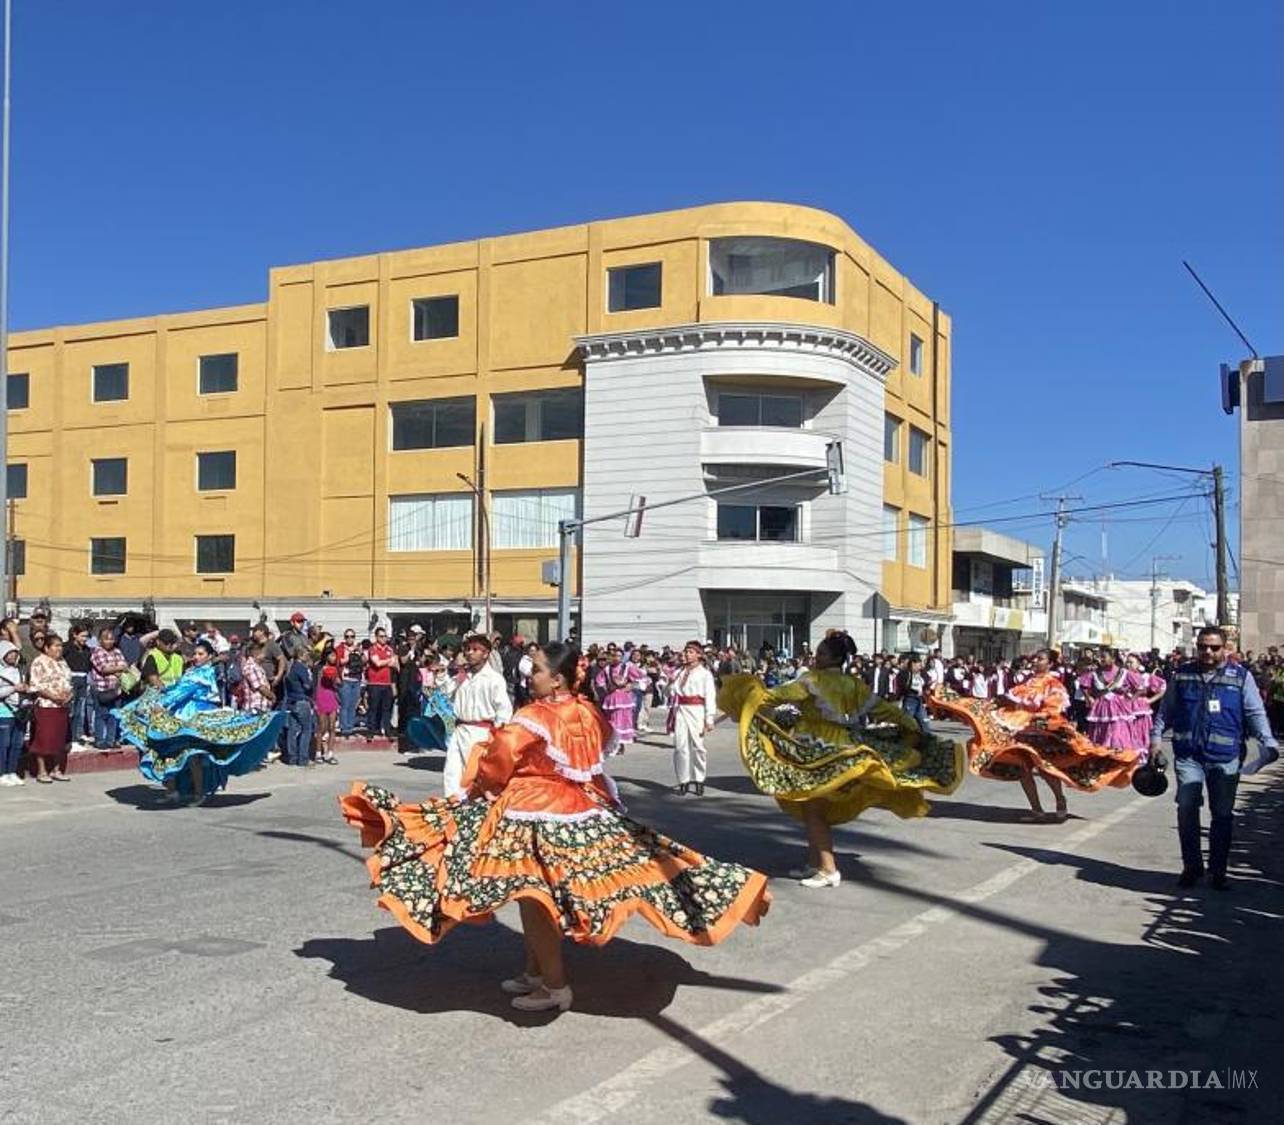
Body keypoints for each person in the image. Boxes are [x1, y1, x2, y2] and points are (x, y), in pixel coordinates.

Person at [340, 642, 771, 1014]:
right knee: (535, 893)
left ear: (560, 680)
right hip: (579, 803)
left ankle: (555, 983)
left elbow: (499, 759)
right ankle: (534, 971)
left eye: (538, 671)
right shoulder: (586, 710)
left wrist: (483, 785)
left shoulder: (536, 716)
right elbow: (598, 753)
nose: (531, 677)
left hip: (534, 807)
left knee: (533, 895)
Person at [720, 632, 965, 886]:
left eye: (823, 653)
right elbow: (883, 708)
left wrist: (749, 693)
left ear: (836, 657)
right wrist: (909, 723)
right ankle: (815, 863)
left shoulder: (812, 679)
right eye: (818, 651)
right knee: (811, 806)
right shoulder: (853, 684)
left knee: (813, 808)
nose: (817, 656)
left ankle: (828, 869)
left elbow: (774, 696)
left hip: (815, 747)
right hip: (840, 745)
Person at [930, 649, 1141, 823]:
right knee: (1022, 768)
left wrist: (1042, 717)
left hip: (1040, 731)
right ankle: (1037, 809)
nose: (1035, 662)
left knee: (1046, 768)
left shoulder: (1053, 683)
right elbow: (1009, 699)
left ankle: (1060, 800)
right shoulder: (1028, 682)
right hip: (1019, 730)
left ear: (1049, 664)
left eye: (1040, 659)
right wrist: (985, 705)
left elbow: (1054, 706)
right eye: (1035, 659)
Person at [1151, 626, 1280, 890]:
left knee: (1221, 815)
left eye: (1214, 647)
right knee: (1187, 807)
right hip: (1189, 755)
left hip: (1225, 758)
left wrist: (1267, 742)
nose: (1207, 652)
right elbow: (1166, 711)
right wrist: (1154, 740)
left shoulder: (1240, 677)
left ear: (1225, 649)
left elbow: (1255, 713)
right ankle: (1192, 866)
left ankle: (1217, 871)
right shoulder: (1182, 675)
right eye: (1202, 647)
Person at [116, 640, 285, 804]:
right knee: (170, 751)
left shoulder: (203, 674)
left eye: (200, 654)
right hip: (182, 715)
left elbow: (182, 691)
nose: (196, 657)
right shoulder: (193, 671)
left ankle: (198, 793)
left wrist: (162, 703)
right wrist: (159, 696)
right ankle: (174, 791)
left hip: (196, 719)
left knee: (193, 756)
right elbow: (176, 689)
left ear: (209, 656)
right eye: (195, 653)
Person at [442, 633, 513, 797]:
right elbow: (445, 691)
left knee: (474, 774)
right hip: (460, 730)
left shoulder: (494, 679)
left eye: (475, 649)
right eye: (467, 649)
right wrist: (444, 673)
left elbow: (504, 711)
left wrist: (497, 737)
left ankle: (474, 808)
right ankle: (452, 805)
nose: (469, 653)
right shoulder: (462, 676)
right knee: (452, 772)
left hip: (481, 733)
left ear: (486, 653)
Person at [668, 640, 718, 795]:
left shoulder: (705, 674)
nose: (686, 655)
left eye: (690, 652)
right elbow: (669, 693)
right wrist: (669, 685)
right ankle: (683, 780)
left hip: (697, 710)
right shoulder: (679, 672)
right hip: (681, 709)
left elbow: (710, 696)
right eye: (686, 652)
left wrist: (709, 718)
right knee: (680, 746)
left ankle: (699, 779)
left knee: (698, 746)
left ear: (698, 655)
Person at [28, 633, 74, 783]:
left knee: (59, 739)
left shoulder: (63, 662)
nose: (59, 649)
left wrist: (68, 695)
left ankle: (56, 769)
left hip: (63, 705)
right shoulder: (39, 662)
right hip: (46, 705)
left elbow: (68, 681)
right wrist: (53, 697)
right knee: (44, 738)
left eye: (61, 646)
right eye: (56, 646)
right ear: (47, 648)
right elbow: (36, 685)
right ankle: (42, 771)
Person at [1079, 649, 1145, 751]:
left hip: (1119, 710)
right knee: (1101, 737)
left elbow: (1141, 688)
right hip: (1101, 711)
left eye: (1103, 657)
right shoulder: (1094, 673)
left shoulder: (1124, 673)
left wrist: (1131, 700)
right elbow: (1083, 686)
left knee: (1117, 736)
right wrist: (1089, 698)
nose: (1100, 659)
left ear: (1113, 659)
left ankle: (1119, 758)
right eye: (1099, 656)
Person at [88, 627, 131, 749]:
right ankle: (99, 740)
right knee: (101, 715)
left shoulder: (117, 651)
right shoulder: (97, 652)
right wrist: (118, 668)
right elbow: (104, 669)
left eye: (111, 639)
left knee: (113, 715)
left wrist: (117, 669)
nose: (109, 641)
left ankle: (111, 740)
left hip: (116, 689)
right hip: (101, 689)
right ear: (100, 640)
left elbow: (125, 665)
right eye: (106, 639)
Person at [0, 641, 30, 786]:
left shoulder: (19, 670)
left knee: (17, 744)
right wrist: (14, 689)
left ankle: (12, 772)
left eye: (14, 653)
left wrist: (26, 689)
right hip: (4, 712)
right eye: (9, 653)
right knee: (3, 744)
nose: (12, 656)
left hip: (20, 711)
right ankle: (2, 773)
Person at [283, 648, 316, 768]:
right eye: (307, 654)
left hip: (291, 700)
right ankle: (303, 758)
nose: (308, 657)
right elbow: (307, 685)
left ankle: (292, 757)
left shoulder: (290, 667)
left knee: (292, 730)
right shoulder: (301, 668)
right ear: (302, 655)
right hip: (302, 700)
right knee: (306, 730)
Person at [364, 627, 397, 741]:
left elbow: (394, 663)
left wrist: (387, 661)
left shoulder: (389, 649)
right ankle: (370, 731)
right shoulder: (372, 649)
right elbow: (377, 663)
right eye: (381, 636)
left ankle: (388, 731)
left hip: (386, 683)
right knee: (373, 708)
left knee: (387, 709)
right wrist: (388, 661)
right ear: (376, 637)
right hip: (374, 683)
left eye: (385, 636)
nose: (384, 639)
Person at [63, 625, 94, 746]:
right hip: (70, 680)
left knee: (79, 711)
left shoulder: (87, 650)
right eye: (82, 636)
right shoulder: (67, 647)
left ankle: (75, 737)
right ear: (74, 635)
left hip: (83, 680)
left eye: (86, 636)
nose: (85, 639)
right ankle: (67, 738)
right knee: (69, 710)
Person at [335, 629, 364, 736]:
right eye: (347, 636)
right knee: (345, 704)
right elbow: (339, 661)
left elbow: (364, 661)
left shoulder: (357, 648)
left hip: (356, 679)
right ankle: (344, 728)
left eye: (352, 636)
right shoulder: (340, 648)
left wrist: (360, 653)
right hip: (346, 679)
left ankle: (350, 727)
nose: (350, 638)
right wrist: (351, 653)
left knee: (353, 705)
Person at [314, 648, 341, 764]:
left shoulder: (336, 669)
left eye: (335, 656)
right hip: (321, 697)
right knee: (321, 727)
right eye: (332, 655)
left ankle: (330, 753)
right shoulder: (319, 668)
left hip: (332, 697)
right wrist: (314, 701)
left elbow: (339, 683)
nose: (334, 658)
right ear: (326, 657)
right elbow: (315, 684)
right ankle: (318, 752)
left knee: (332, 727)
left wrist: (335, 678)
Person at [896, 654, 931, 733]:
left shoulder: (922, 673)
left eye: (920, 664)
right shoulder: (905, 673)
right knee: (907, 722)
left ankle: (928, 739)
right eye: (918, 664)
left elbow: (926, 682)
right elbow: (902, 685)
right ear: (913, 664)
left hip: (919, 699)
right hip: (910, 699)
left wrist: (926, 689)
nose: (920, 666)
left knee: (924, 721)